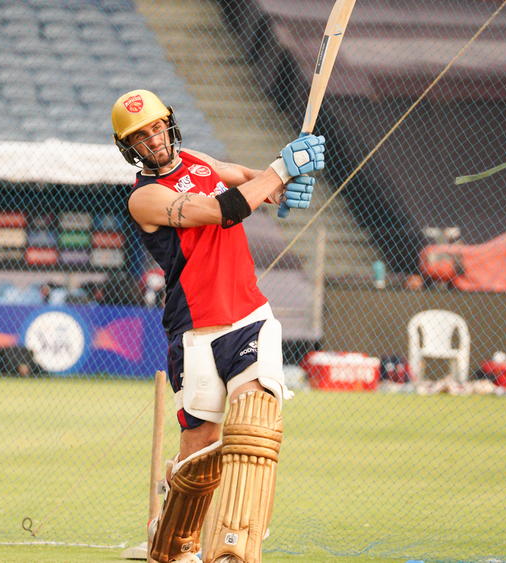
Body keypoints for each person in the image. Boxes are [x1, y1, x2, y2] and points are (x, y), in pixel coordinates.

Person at [112, 89, 324, 563]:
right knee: (200, 451)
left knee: (254, 423)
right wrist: (282, 168)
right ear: (129, 148)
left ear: (169, 124)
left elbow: (245, 179)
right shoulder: (145, 198)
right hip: (195, 330)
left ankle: (233, 545)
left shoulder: (196, 159)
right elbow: (221, 210)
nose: (153, 140)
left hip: (249, 315)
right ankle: (171, 539)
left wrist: (284, 188)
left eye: (156, 127)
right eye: (140, 136)